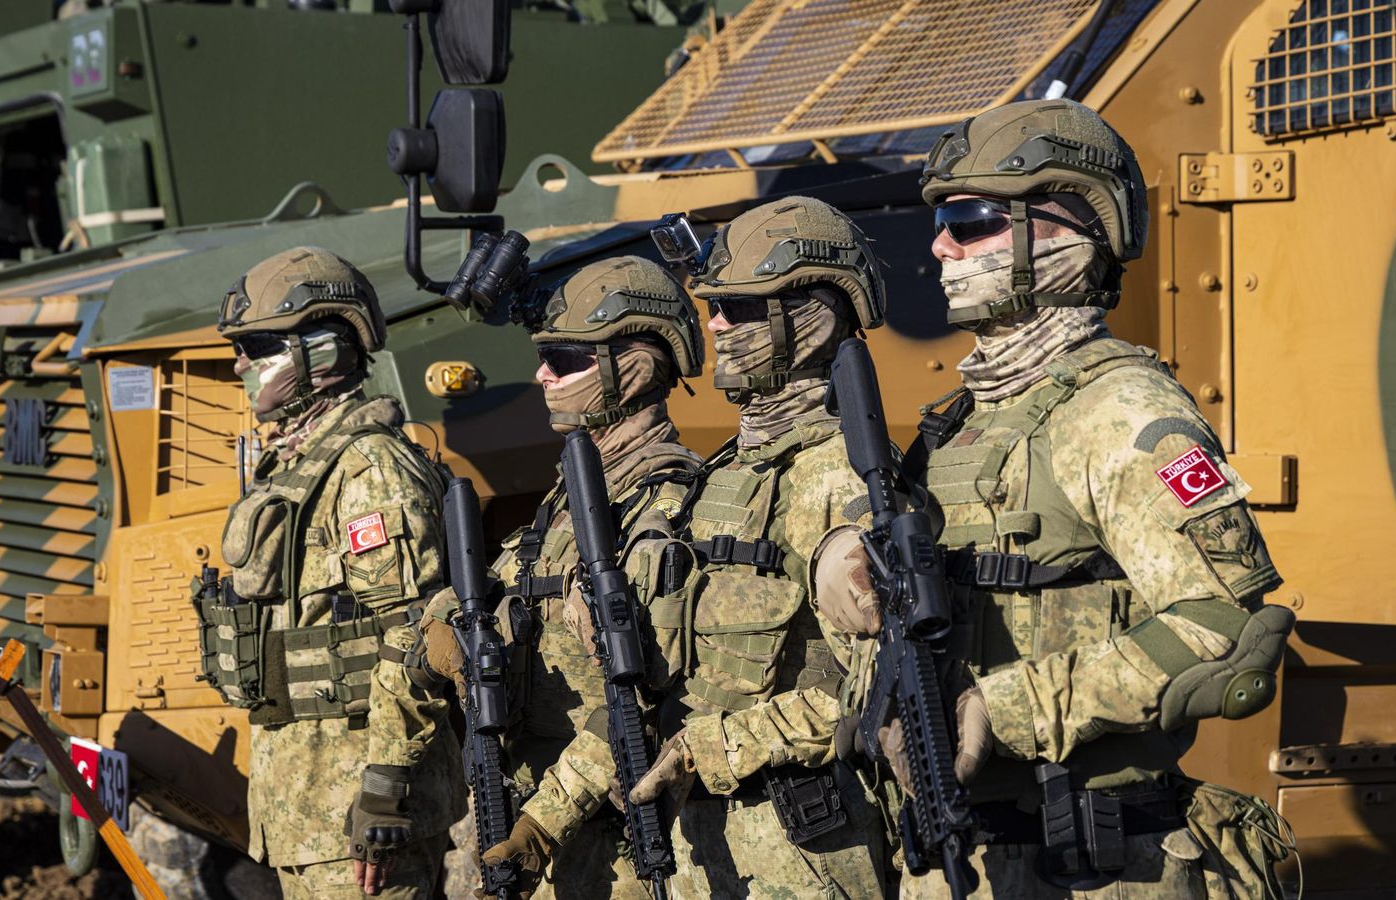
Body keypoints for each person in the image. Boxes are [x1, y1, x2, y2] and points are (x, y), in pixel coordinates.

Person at [812, 98, 1296, 897]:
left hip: (1092, 861)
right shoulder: (961, 423)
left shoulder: (1124, 412)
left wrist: (1002, 710)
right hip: (960, 853)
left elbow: (1222, 626)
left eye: (969, 221)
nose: (939, 245)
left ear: (1070, 228)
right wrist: (838, 555)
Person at [488, 197, 894, 898]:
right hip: (706, 858)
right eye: (713, 306)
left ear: (809, 316)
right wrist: (543, 824)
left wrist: (711, 749)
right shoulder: (719, 482)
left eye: (735, 308)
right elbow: (649, 693)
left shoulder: (843, 480)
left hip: (811, 855)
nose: (714, 325)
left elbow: (886, 694)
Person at [402, 255, 704, 898]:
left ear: (636, 365)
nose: (542, 375)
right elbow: (486, 594)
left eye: (565, 360)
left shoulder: (664, 505)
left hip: (609, 847)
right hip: (539, 825)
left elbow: (647, 703)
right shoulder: (565, 504)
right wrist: (435, 633)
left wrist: (540, 828)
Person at [196, 246, 461, 899]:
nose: (240, 365)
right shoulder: (294, 463)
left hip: (360, 816)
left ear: (321, 351)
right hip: (303, 808)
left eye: (258, 346)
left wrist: (384, 792)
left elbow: (415, 636)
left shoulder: (370, 469)